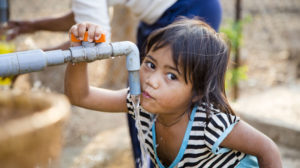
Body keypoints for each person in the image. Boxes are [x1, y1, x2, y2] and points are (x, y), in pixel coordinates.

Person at [65, 18, 282, 168]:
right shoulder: (139, 102)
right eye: (150, 64)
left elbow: (267, 149)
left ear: (197, 92)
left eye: (171, 76)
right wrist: (80, 51)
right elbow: (80, 96)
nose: (152, 81)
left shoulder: (210, 124)